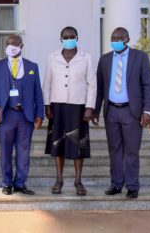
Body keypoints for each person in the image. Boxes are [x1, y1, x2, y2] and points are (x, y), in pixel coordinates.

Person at [93, 27, 150, 199]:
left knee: (132, 150)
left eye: (119, 38)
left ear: (127, 39)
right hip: (111, 111)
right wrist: (95, 111)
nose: (116, 40)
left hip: (131, 111)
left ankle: (132, 186)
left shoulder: (140, 57)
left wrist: (147, 110)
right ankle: (116, 184)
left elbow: (148, 86)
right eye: (113, 38)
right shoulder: (104, 59)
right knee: (114, 150)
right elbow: (99, 88)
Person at [42, 26, 96, 196]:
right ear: (61, 39)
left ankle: (78, 181)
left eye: (72, 36)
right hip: (57, 106)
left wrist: (90, 107)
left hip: (78, 106)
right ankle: (59, 179)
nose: (69, 38)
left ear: (77, 38)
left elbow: (92, 83)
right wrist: (47, 105)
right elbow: (47, 83)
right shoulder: (52, 57)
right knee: (58, 143)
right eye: (66, 36)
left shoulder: (86, 57)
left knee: (78, 143)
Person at [0, 34, 44, 196]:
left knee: (23, 151)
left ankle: (20, 183)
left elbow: (38, 93)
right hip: (6, 115)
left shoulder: (32, 66)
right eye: (8, 43)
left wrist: (39, 114)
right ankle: (6, 183)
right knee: (5, 151)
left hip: (25, 116)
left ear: (21, 45)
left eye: (14, 43)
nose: (11, 45)